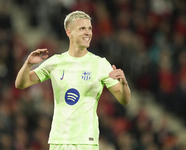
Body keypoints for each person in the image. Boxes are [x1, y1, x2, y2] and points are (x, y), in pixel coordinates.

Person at [15, 10, 131, 150]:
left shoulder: (100, 64)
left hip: (86, 141)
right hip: (59, 140)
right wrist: (28, 64)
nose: (88, 32)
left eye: (89, 28)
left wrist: (124, 84)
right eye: (82, 28)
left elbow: (124, 99)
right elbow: (21, 83)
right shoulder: (56, 62)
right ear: (69, 32)